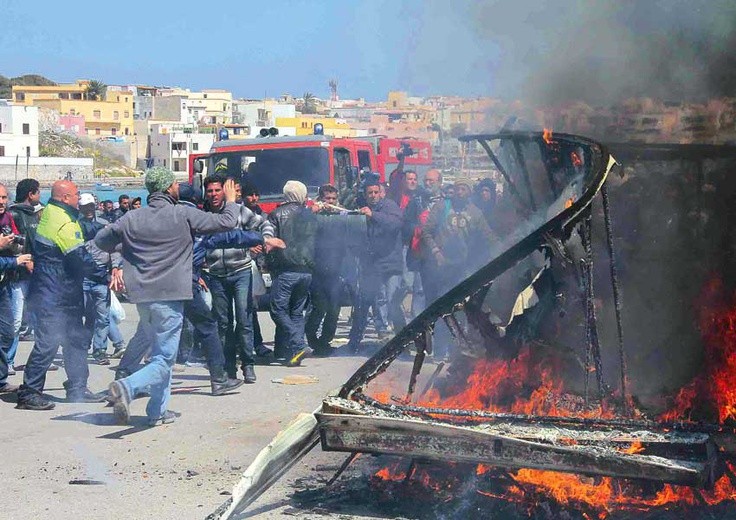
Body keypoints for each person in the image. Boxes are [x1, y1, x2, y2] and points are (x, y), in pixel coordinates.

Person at [100, 168, 240, 426]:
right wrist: (230, 201)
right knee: (165, 359)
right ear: (167, 188)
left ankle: (157, 412)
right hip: (170, 295)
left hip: (142, 297)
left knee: (161, 355)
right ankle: (127, 387)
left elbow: (101, 241)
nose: (178, 186)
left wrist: (128, 248)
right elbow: (226, 223)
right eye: (175, 183)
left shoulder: (132, 217)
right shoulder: (182, 213)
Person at [17, 181, 106, 410]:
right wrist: (106, 277)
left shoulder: (53, 212)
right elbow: (79, 258)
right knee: (48, 342)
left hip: (59, 290)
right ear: (65, 198)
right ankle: (29, 392)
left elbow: (83, 231)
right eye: (76, 195)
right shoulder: (64, 222)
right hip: (54, 293)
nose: (80, 198)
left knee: (75, 340)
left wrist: (107, 229)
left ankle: (77, 387)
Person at [203, 175, 275, 383]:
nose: (214, 195)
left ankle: (248, 363)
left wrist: (267, 239)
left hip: (241, 271)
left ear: (224, 192)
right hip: (216, 275)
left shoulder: (239, 211)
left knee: (244, 319)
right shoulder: (203, 215)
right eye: (210, 191)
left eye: (217, 190)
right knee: (223, 323)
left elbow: (264, 224)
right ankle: (228, 366)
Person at [421, 180, 495, 359]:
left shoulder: (475, 213)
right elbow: (426, 232)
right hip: (442, 266)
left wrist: (504, 246)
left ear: (469, 192)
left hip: (462, 268)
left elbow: (488, 236)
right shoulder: (441, 207)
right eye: (457, 188)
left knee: (460, 311)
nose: (459, 192)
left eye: (464, 189)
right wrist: (436, 252)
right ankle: (439, 351)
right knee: (442, 308)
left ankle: (455, 353)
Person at [346, 179, 405, 353]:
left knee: (392, 300)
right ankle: (356, 340)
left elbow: (395, 223)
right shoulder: (362, 209)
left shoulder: (389, 206)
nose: (373, 196)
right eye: (369, 193)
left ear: (382, 193)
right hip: (371, 264)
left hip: (390, 263)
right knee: (366, 301)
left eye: (375, 192)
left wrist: (373, 215)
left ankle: (403, 338)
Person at [267, 180, 318, 366]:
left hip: (285, 269)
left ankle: (297, 345)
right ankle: (288, 352)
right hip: (306, 271)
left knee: (278, 310)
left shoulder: (276, 214)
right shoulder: (310, 215)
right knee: (296, 312)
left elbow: (270, 241)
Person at [79, 193, 124, 364]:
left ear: (94, 207)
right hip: (83, 278)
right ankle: (81, 348)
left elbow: (114, 250)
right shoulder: (76, 227)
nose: (88, 210)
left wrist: (114, 268)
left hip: (101, 278)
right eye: (85, 207)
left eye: (91, 206)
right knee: (85, 316)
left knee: (103, 317)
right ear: (81, 209)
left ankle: (100, 351)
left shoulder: (105, 227)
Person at [305, 184, 346, 356]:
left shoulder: (342, 216)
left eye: (333, 199)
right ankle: (311, 337)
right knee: (320, 306)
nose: (330, 202)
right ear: (321, 199)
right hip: (317, 268)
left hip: (336, 269)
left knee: (334, 308)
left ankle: (325, 340)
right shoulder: (313, 215)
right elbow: (300, 223)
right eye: (327, 199)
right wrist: (313, 210)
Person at [7, 179, 41, 373]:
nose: (39, 196)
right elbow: (13, 243)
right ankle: (8, 361)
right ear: (30, 194)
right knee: (16, 321)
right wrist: (25, 260)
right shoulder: (14, 214)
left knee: (38, 319)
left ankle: (39, 360)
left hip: (35, 274)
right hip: (19, 275)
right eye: (38, 192)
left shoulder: (35, 215)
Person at [241, 182, 270, 358]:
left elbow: (268, 232)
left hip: (257, 266)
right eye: (250, 195)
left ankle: (256, 344)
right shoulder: (238, 215)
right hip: (240, 265)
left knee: (251, 308)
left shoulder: (262, 215)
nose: (254, 198)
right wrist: (248, 250)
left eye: (256, 194)